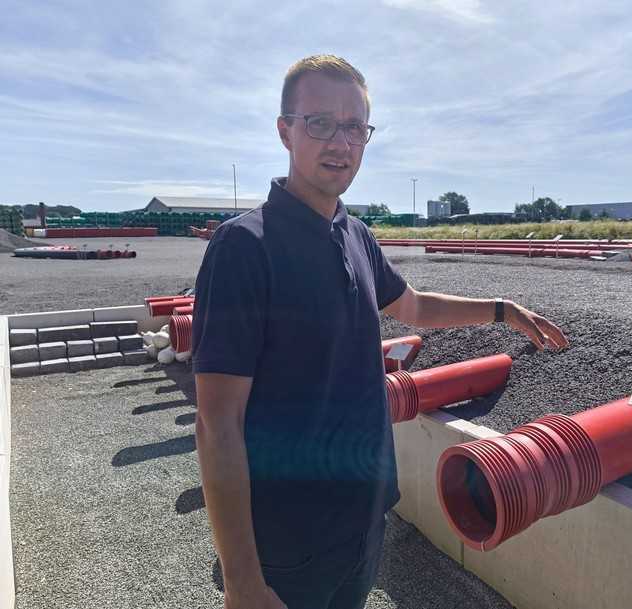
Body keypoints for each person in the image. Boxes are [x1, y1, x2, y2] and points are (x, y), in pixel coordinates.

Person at [191, 54, 569, 609]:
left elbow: (412, 306)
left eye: (354, 128)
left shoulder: (356, 235)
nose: (340, 143)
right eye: (319, 122)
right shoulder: (244, 248)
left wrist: (500, 309)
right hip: (288, 543)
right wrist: (243, 579)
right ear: (284, 131)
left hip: (364, 517)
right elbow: (216, 424)